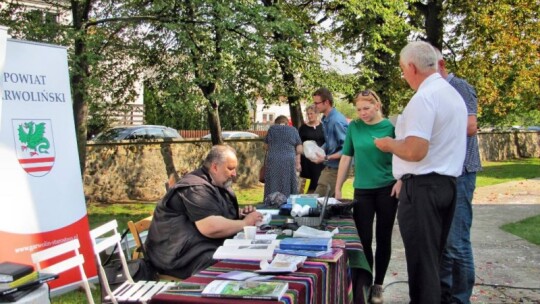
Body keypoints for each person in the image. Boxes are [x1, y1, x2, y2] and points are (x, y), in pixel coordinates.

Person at [374, 41, 467, 304]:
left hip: (424, 189)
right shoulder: (451, 94)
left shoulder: (424, 97)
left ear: (411, 67)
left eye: (403, 70)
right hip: (445, 184)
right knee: (434, 259)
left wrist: (388, 144)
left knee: (421, 263)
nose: (404, 76)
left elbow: (415, 151)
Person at [145, 145, 263, 279]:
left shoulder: (213, 183)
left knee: (247, 255)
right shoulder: (195, 188)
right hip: (176, 256)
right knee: (234, 265)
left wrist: (239, 214)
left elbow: (214, 211)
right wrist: (246, 223)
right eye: (230, 168)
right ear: (214, 167)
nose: (234, 173)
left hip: (194, 248)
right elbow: (210, 227)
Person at [335, 89, 399, 304]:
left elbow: (403, 157)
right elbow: (346, 157)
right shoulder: (354, 126)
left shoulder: (390, 128)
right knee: (362, 240)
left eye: (366, 108)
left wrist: (400, 180)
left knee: (383, 237)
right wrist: (338, 187)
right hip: (362, 189)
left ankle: (378, 285)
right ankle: (364, 283)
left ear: (377, 106)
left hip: (386, 189)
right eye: (359, 109)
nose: (362, 112)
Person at [436, 48, 482, 304]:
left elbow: (470, 127)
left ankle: (460, 298)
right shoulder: (437, 91)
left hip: (462, 172)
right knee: (443, 241)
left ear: (440, 65)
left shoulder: (459, 87)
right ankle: (444, 294)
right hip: (444, 174)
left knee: (456, 241)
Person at [311, 87, 348, 197]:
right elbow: (331, 141)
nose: (315, 106)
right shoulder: (326, 119)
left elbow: (347, 149)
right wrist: (319, 149)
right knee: (328, 204)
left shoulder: (336, 121)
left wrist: (326, 158)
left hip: (337, 168)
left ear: (326, 102)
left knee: (319, 199)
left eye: (317, 103)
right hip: (331, 166)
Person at [263, 115, 303, 199]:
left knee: (273, 181)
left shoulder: (272, 129)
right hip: (289, 159)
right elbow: (299, 149)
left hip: (274, 159)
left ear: (276, 123)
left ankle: (272, 200)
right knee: (288, 180)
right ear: (287, 122)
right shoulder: (293, 130)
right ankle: (289, 200)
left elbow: (265, 147)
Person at [298, 104, 325, 192]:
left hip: (321, 161)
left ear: (317, 114)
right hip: (306, 161)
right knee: (306, 187)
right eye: (308, 114)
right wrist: (298, 162)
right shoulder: (303, 128)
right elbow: (299, 145)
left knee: (320, 184)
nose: (309, 116)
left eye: (311, 113)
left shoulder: (323, 127)